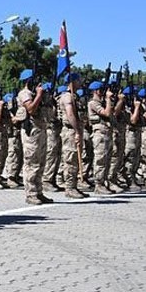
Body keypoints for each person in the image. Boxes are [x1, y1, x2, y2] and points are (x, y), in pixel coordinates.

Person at [15, 69, 51, 205]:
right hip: (31, 132)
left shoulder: (35, 93)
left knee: (41, 162)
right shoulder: (24, 94)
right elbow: (30, 109)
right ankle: (31, 193)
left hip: (40, 130)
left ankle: (38, 192)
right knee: (32, 163)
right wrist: (39, 95)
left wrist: (44, 96)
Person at [56, 76, 88, 199]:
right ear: (72, 82)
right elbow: (70, 114)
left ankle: (73, 186)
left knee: (75, 159)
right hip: (70, 131)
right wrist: (77, 131)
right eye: (78, 80)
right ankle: (69, 188)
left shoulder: (74, 97)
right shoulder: (67, 96)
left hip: (75, 130)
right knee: (70, 160)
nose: (81, 82)